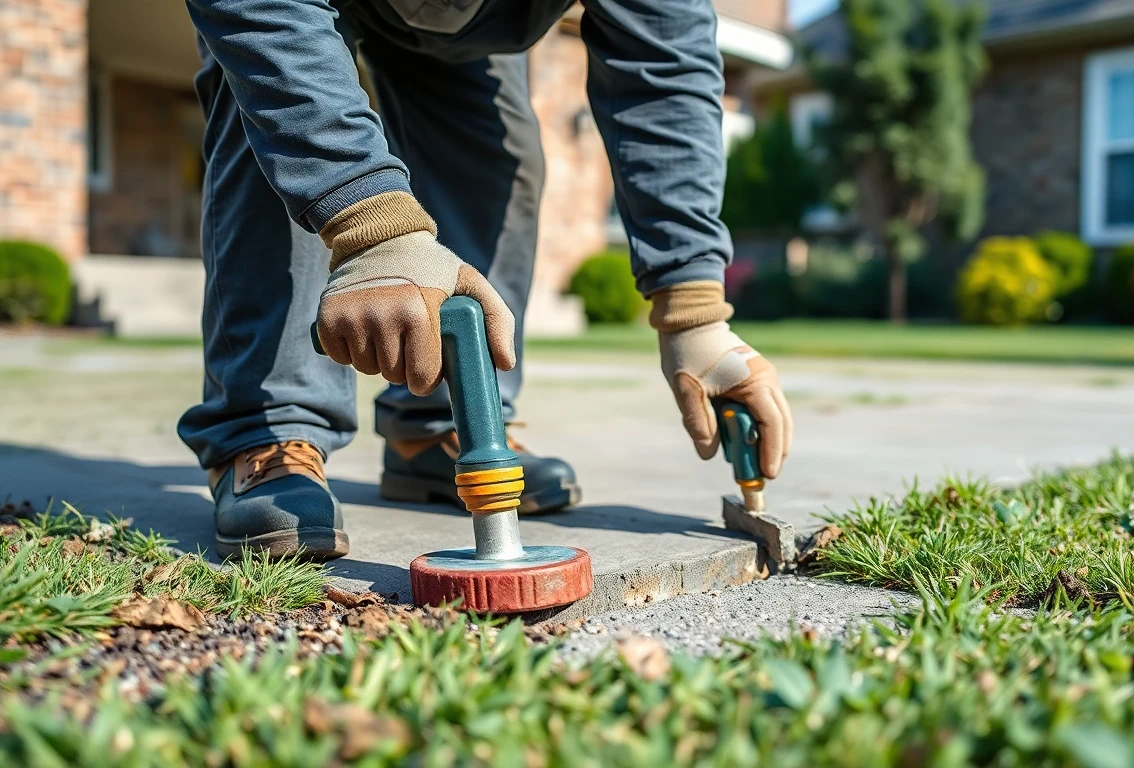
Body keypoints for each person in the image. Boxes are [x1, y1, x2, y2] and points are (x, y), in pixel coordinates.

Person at [178, 0, 794, 560]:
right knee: (271, 102)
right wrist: (372, 226)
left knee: (499, 161)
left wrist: (694, 313)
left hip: (472, 21)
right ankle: (269, 429)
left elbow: (664, 67)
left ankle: (443, 430)